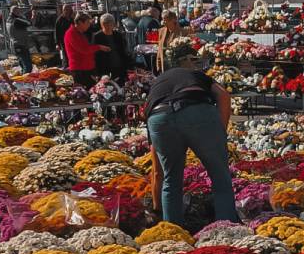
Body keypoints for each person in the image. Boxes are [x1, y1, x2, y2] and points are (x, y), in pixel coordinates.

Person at [146, 46, 237, 224]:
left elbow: (157, 171)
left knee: (171, 180)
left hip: (158, 117)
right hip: (196, 110)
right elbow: (224, 96)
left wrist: (156, 210)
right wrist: (219, 133)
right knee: (220, 178)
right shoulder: (195, 75)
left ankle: (172, 232)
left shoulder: (155, 89)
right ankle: (227, 229)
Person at [63, 12, 108, 86]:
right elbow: (84, 49)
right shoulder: (71, 33)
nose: (89, 25)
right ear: (80, 22)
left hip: (87, 68)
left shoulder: (80, 33)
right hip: (80, 70)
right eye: (87, 22)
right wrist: (99, 47)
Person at [92, 13, 129, 82]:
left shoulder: (118, 35)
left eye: (110, 23)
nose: (108, 26)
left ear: (113, 24)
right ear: (101, 24)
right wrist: (97, 72)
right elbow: (95, 54)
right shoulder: (97, 37)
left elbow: (123, 51)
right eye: (105, 23)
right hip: (105, 68)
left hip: (119, 67)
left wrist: (128, 65)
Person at [7, 6, 34, 75]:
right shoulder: (16, 20)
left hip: (15, 44)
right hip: (21, 44)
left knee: (22, 64)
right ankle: (26, 79)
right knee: (28, 66)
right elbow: (29, 23)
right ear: (15, 12)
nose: (20, 12)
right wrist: (33, 15)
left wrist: (29, 11)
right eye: (18, 11)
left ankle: (23, 76)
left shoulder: (9, 19)